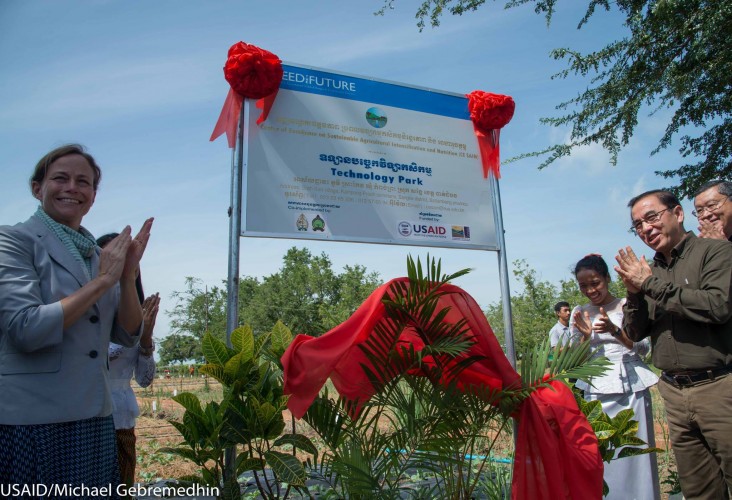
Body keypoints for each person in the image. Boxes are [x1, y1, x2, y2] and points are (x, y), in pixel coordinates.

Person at [0, 144, 153, 496]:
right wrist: (102, 281)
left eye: (83, 181)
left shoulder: (101, 256)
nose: (72, 187)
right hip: (35, 420)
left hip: (95, 416)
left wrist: (127, 277)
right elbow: (26, 328)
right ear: (37, 188)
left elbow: (128, 334)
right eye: (60, 178)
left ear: (93, 196)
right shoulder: (14, 240)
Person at [615, 189, 732, 499]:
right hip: (674, 394)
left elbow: (717, 307)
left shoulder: (715, 252)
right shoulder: (648, 271)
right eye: (637, 225)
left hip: (718, 388)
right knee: (700, 489)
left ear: (678, 214)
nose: (645, 228)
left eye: (651, 217)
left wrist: (650, 284)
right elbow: (635, 332)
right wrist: (635, 293)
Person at [570, 254, 660, 500]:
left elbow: (644, 349)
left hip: (630, 386)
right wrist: (585, 336)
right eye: (584, 286)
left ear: (608, 278)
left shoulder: (625, 305)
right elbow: (574, 359)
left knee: (635, 450)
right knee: (601, 453)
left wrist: (614, 330)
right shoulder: (579, 313)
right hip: (595, 389)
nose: (590, 290)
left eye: (595, 282)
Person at [98, 232, 158, 493]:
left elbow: (144, 381)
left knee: (121, 487)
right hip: (81, 415)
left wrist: (145, 340)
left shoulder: (138, 312)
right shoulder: (80, 305)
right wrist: (129, 336)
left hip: (121, 420)